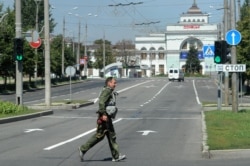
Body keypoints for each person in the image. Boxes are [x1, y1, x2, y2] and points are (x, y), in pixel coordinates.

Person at [78, 77, 126, 162]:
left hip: (106, 117)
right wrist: (103, 114)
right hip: (104, 118)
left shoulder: (109, 91)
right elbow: (101, 102)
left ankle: (115, 156)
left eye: (115, 83)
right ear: (109, 83)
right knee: (107, 136)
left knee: (104, 136)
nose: (116, 84)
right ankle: (83, 149)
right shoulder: (107, 91)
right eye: (114, 83)